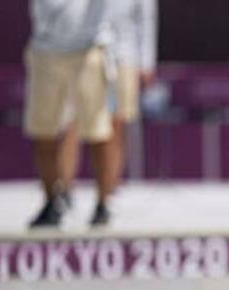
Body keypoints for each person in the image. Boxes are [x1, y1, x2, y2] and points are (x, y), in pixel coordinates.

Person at [58, 0, 158, 224]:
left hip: (124, 56)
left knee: (115, 124)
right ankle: (64, 187)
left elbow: (146, 19)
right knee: (73, 122)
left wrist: (146, 63)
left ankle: (107, 191)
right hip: (84, 54)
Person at [24, 0, 117, 228]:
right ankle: (51, 202)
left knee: (98, 131)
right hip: (45, 49)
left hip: (87, 50)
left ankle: (103, 204)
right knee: (42, 131)